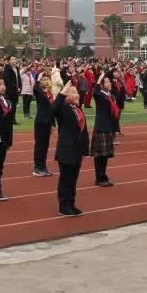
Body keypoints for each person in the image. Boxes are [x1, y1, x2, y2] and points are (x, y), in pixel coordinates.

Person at [52, 82, 88, 216]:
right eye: (73, 92)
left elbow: (83, 131)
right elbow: (55, 108)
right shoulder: (63, 109)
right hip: (66, 150)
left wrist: (85, 150)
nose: (77, 94)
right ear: (65, 96)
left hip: (77, 151)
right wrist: (62, 92)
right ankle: (63, 205)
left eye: (77, 92)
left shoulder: (78, 110)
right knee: (66, 179)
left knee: (73, 179)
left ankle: (71, 203)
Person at [91, 75, 120, 187]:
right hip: (101, 127)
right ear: (102, 85)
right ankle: (99, 178)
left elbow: (114, 113)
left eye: (109, 82)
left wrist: (116, 129)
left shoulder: (110, 96)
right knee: (100, 156)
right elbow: (95, 92)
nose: (109, 84)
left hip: (108, 127)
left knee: (105, 155)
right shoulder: (100, 95)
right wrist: (99, 79)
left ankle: (103, 176)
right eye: (107, 82)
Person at [32, 72, 55, 176]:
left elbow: (52, 109)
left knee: (45, 146)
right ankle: (37, 167)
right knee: (40, 145)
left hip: (48, 122)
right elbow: (35, 88)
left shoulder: (49, 92)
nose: (46, 81)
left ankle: (43, 166)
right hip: (41, 121)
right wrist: (39, 75)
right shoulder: (39, 91)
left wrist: (53, 124)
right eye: (43, 80)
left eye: (47, 80)